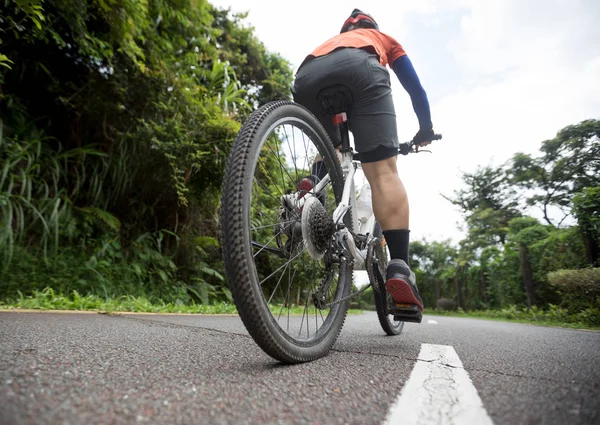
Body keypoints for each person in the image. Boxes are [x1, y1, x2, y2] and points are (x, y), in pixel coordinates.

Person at [291, 9, 436, 321]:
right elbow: (416, 89)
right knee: (383, 172)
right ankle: (399, 265)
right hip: (361, 70)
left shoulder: (330, 42)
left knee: (330, 149)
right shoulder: (381, 38)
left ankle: (309, 192)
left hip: (307, 77)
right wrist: (425, 129)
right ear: (372, 26)